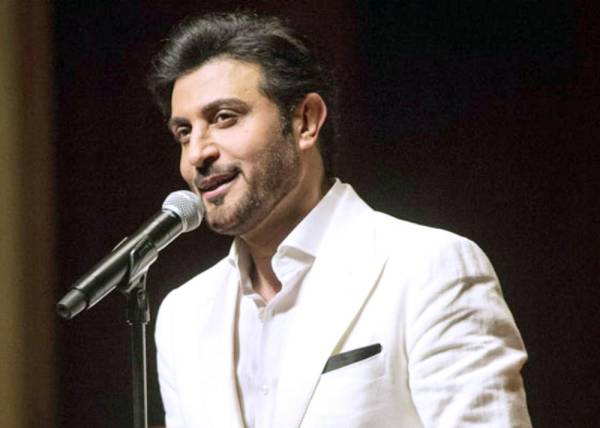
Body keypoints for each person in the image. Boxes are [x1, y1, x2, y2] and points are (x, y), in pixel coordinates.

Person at [148, 12, 531, 428]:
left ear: (306, 121)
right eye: (184, 132)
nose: (197, 153)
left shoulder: (428, 268)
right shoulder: (182, 315)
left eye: (224, 117)